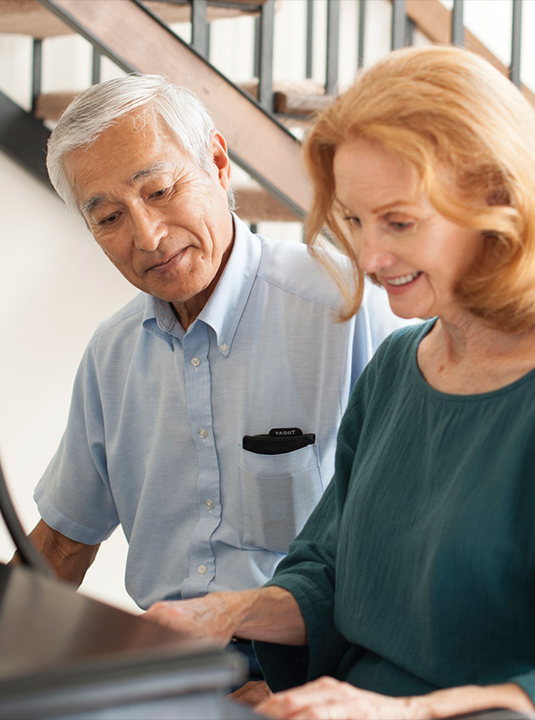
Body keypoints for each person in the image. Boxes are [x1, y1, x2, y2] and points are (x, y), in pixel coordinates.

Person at [142, 46, 535, 720]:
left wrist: (405, 713)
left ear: (498, 203)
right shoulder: (400, 364)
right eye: (357, 221)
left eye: (400, 221)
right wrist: (218, 614)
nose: (369, 257)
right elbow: (330, 576)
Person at [25, 73, 405, 678]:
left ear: (219, 165)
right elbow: (65, 541)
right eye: (109, 218)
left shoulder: (347, 306)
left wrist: (295, 693)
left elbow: (409, 545)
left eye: (158, 191)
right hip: (166, 663)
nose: (146, 237)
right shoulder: (113, 353)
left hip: (316, 662)